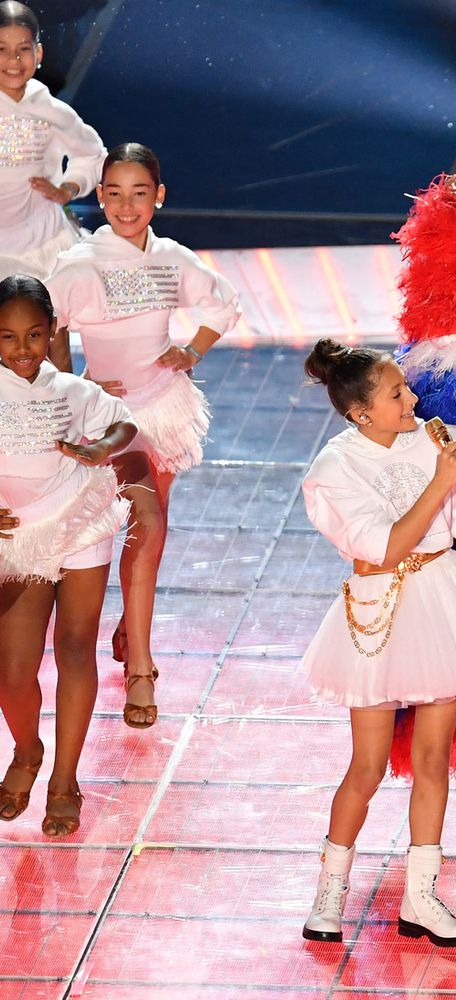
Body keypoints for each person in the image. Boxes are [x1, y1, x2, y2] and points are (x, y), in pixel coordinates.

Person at [298, 338, 456, 946]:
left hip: (444, 604)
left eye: (407, 387)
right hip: (378, 613)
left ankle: (422, 898)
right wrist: (440, 479)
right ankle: (331, 891)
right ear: (361, 413)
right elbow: (385, 546)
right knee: (368, 765)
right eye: (397, 393)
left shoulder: (436, 439)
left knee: (433, 759)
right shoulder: (334, 470)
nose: (413, 399)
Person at [45, 143, 241, 728]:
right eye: (113, 193)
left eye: (138, 193)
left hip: (165, 409)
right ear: (98, 196)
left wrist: (191, 351)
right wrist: (65, 383)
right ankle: (141, 669)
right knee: (145, 524)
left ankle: (133, 627)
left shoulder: (172, 258)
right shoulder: (81, 263)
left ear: (158, 196)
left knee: (150, 533)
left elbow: (222, 303)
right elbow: (45, 324)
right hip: (109, 417)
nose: (126, 206)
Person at [0, 275, 135, 837]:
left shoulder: (71, 392)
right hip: (18, 539)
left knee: (76, 648)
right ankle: (27, 751)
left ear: (53, 330)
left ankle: (64, 779)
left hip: (80, 522)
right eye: (8, 337)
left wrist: (100, 447)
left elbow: (124, 424)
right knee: (12, 670)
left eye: (34, 334)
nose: (24, 349)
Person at [0, 2, 106, 280]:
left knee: (46, 315)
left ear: (38, 53)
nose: (13, 60)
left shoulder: (52, 112)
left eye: (23, 49)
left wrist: (67, 188)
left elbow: (93, 155)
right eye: (2, 50)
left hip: (42, 244)